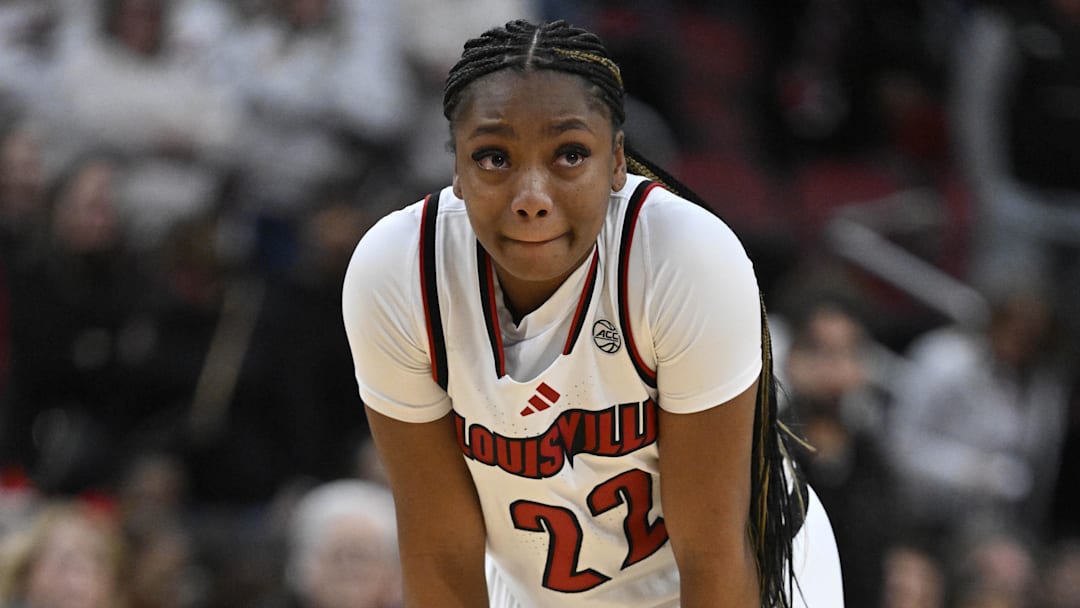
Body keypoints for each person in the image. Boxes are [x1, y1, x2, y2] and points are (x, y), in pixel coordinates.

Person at [342, 19, 843, 607]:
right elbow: (441, 553)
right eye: (493, 157)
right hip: (539, 587)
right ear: (457, 168)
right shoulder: (398, 271)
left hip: (728, 571)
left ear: (616, 163)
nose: (531, 197)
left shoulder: (683, 257)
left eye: (570, 154)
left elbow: (713, 555)